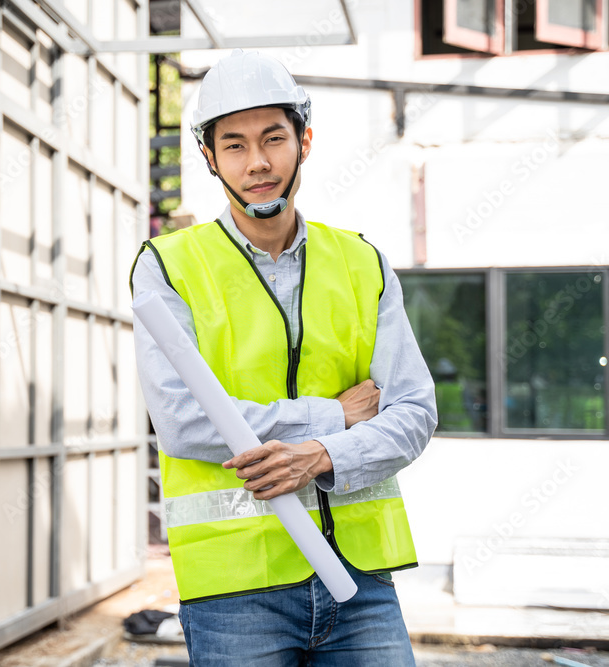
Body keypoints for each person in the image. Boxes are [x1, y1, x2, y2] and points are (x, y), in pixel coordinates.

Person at [129, 49, 438, 665]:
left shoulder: (361, 262)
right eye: (235, 145)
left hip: (362, 582)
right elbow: (186, 421)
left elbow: (413, 411)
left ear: (305, 140)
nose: (259, 162)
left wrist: (321, 454)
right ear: (210, 157)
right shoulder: (168, 267)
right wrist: (333, 417)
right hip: (235, 589)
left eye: (274, 137)